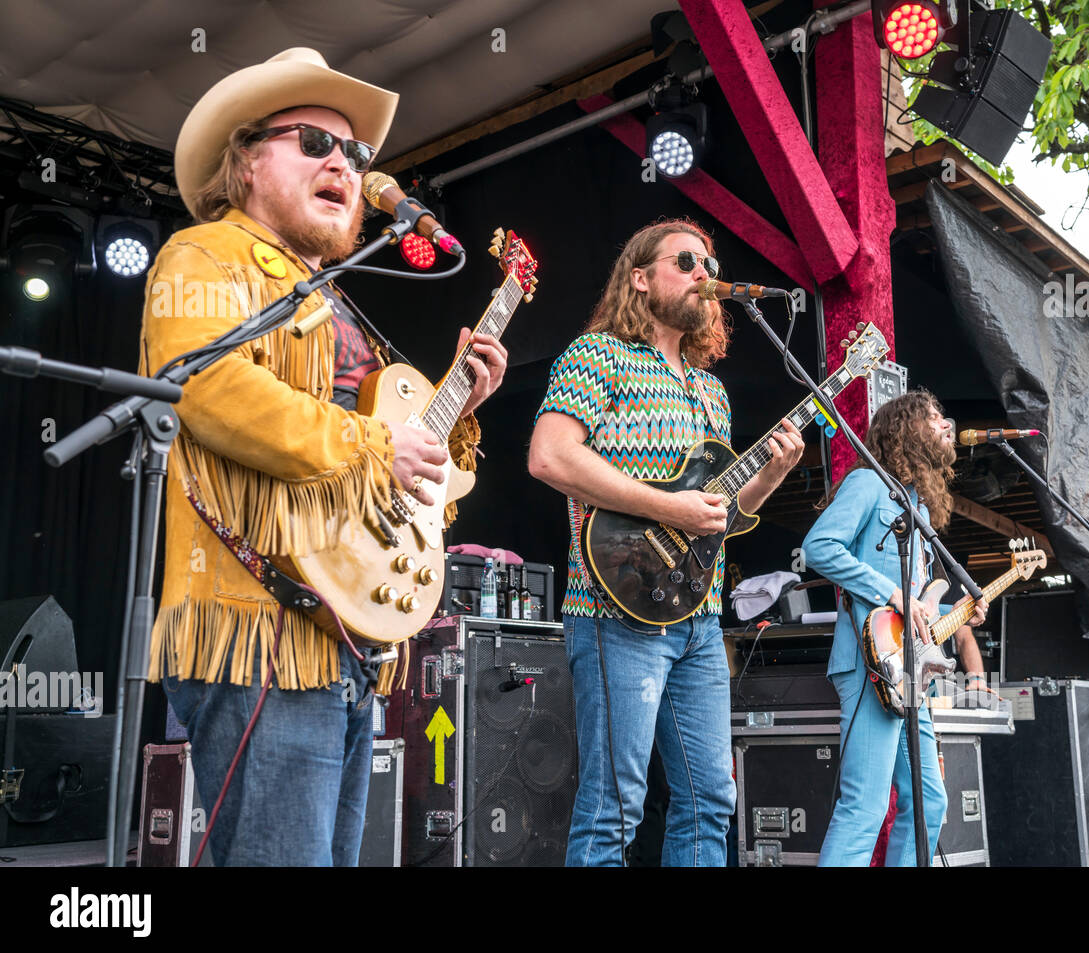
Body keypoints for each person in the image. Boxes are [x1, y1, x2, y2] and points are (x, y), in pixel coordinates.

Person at [138, 48, 507, 865]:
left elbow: (402, 491)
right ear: (245, 160)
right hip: (256, 626)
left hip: (340, 636)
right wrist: (379, 440)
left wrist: (456, 416)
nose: (345, 162)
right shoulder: (205, 256)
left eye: (359, 155)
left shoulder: (335, 301)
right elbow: (206, 391)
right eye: (314, 142)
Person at [529, 219, 804, 866]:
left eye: (710, 262)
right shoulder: (597, 356)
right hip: (613, 612)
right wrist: (665, 504)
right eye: (686, 260)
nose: (704, 272)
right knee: (615, 806)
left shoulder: (713, 391)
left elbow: (719, 515)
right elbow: (549, 456)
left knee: (711, 800)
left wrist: (771, 474)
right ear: (641, 278)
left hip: (700, 621)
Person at [802, 389, 987, 866]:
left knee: (930, 802)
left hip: (909, 670)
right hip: (871, 664)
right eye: (934, 416)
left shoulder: (919, 512)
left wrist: (955, 608)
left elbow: (919, 604)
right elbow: (820, 547)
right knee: (864, 807)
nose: (946, 423)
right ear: (905, 429)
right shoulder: (867, 484)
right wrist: (890, 593)